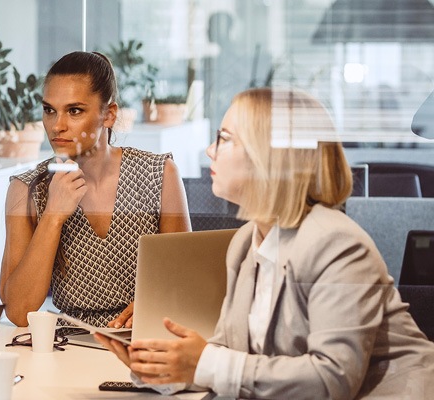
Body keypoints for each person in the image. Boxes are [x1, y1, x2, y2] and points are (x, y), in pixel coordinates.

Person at [97, 88, 434, 399]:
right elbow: (229, 359)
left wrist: (207, 362)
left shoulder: (337, 244)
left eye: (225, 138)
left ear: (267, 158)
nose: (210, 150)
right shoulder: (247, 242)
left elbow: (334, 379)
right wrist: (165, 369)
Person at [0, 51, 191, 328]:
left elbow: (185, 286)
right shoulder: (27, 189)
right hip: (68, 348)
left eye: (74, 111)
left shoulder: (159, 174)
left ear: (109, 115)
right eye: (49, 110)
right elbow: (18, 312)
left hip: (143, 340)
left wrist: (157, 304)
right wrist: (53, 216)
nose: (57, 125)